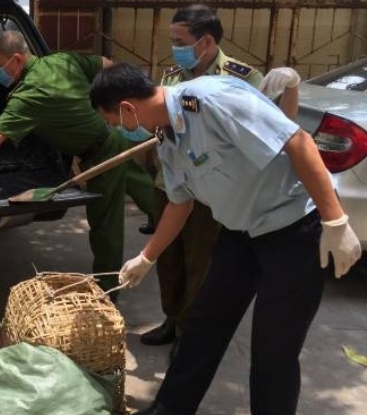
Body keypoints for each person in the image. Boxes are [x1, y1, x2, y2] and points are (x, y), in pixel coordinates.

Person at [90, 63, 361, 415]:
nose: (118, 129)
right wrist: (147, 256)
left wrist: (335, 220)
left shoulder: (213, 101)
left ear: (127, 108)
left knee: (273, 349)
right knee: (203, 327)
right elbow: (179, 203)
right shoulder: (167, 135)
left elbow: (299, 142)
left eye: (113, 121)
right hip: (239, 234)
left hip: (292, 231)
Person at [0, 30, 156, 295]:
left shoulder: (30, 94)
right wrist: (94, 106)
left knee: (105, 226)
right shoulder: (61, 61)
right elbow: (105, 65)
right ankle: (174, 228)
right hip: (113, 136)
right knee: (145, 187)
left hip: (102, 153)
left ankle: (109, 290)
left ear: (17, 60)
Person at [139, 4, 302, 353]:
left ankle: (190, 330)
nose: (174, 48)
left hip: (211, 188)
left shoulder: (241, 78)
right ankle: (171, 317)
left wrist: (290, 88)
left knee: (200, 261)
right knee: (168, 258)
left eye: (179, 41)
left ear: (206, 42)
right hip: (169, 182)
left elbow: (279, 128)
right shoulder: (172, 75)